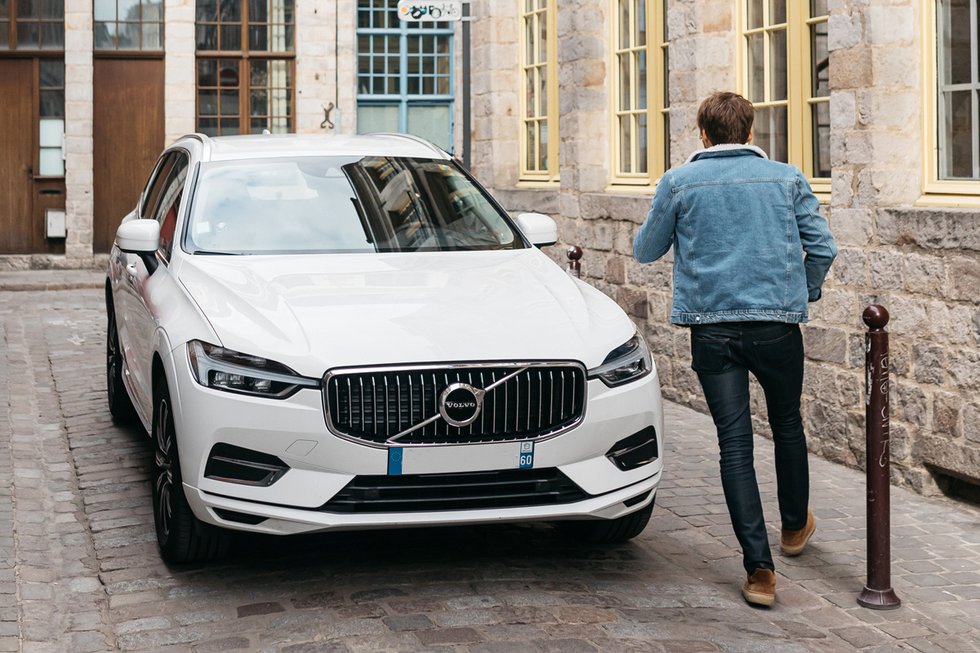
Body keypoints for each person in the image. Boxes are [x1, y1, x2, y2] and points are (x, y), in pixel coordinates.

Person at [633, 91, 837, 607]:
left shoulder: (679, 181)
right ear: (750, 132)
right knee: (788, 422)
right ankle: (794, 527)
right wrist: (804, 289)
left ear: (703, 134)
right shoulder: (787, 178)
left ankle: (760, 571)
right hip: (776, 327)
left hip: (713, 331)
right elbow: (825, 247)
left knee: (735, 443)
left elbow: (645, 250)